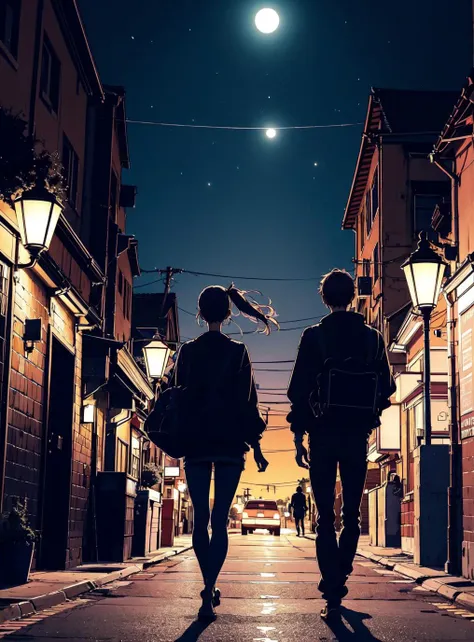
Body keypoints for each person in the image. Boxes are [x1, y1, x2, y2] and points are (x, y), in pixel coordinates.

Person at [287, 269, 395, 620]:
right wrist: (369, 413)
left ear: (325, 298)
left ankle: (331, 584)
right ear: (353, 296)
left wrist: (298, 436)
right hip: (356, 436)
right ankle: (341, 573)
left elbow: (298, 391)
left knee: (323, 518)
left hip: (322, 435)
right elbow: (387, 389)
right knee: (351, 514)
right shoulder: (373, 338)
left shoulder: (314, 336)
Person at [175, 284, 279, 622]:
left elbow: (178, 398)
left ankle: (206, 590)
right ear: (229, 312)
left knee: (200, 519)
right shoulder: (238, 352)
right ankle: (210, 586)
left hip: (196, 443)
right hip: (231, 444)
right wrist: (259, 448)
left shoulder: (187, 352)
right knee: (220, 520)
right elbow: (249, 404)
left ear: (201, 313)